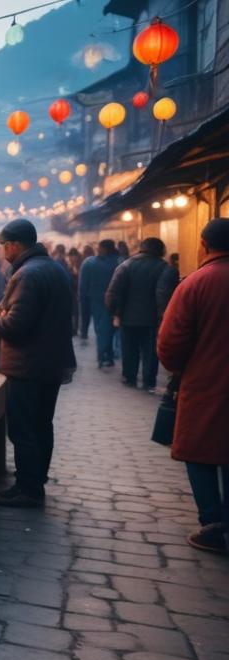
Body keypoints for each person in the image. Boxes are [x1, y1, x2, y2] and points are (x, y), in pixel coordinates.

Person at [0, 219, 75, 507]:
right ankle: (35, 480)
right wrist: (2, 308)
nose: (2, 251)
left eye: (4, 245)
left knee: (24, 428)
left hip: (29, 364)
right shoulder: (53, 267)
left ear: (15, 245)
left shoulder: (28, 274)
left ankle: (28, 488)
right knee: (42, 425)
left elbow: (17, 326)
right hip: (51, 361)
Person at [157, 218, 229, 552]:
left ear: (202, 244)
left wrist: (180, 369)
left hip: (205, 383)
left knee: (199, 452)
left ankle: (213, 523)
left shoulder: (196, 283)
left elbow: (170, 342)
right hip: (209, 379)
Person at [106, 237, 168, 391]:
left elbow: (113, 293)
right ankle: (149, 382)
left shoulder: (126, 265)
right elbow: (163, 295)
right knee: (150, 352)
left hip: (128, 318)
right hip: (152, 320)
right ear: (161, 250)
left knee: (129, 350)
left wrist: (115, 312)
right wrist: (164, 317)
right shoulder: (165, 268)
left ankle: (129, 377)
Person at [78, 240, 120, 367]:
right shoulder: (120, 262)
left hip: (96, 301)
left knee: (101, 329)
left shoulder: (89, 263)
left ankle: (103, 355)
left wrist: (83, 300)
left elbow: (82, 286)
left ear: (104, 249)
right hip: (115, 301)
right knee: (111, 330)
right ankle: (109, 354)